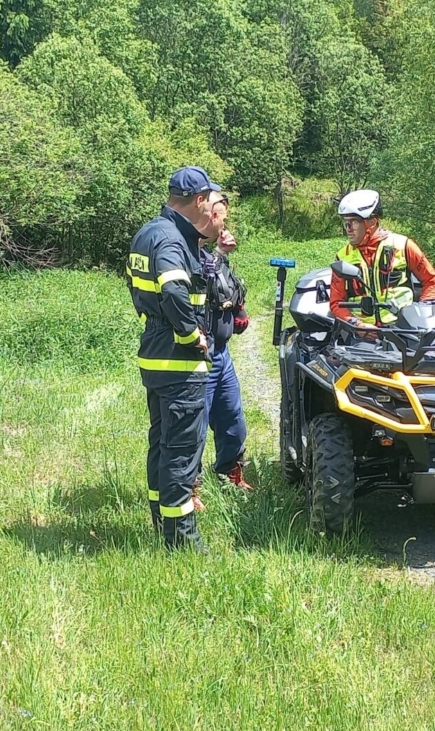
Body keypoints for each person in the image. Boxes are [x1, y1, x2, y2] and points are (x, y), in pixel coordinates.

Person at [127, 166, 219, 550]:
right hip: (179, 362)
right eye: (210, 200)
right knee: (182, 450)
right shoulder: (171, 241)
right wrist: (191, 334)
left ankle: (159, 520)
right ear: (198, 200)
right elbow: (175, 291)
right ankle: (182, 541)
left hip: (155, 356)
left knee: (161, 444)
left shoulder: (148, 232)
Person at [199, 192, 255, 491]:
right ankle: (190, 488)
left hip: (222, 353)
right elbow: (200, 280)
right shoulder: (189, 250)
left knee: (232, 419)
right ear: (206, 216)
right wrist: (220, 253)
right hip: (200, 354)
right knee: (194, 425)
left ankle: (229, 475)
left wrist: (239, 309)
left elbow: (225, 287)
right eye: (220, 216)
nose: (224, 223)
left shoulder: (211, 254)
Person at [328, 189, 435, 326]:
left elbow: (432, 282)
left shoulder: (403, 245)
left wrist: (422, 314)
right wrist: (356, 324)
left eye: (354, 222)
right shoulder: (342, 257)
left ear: (372, 222)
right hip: (360, 334)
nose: (348, 228)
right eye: (345, 222)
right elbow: (335, 303)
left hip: (402, 329)